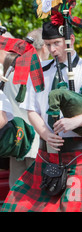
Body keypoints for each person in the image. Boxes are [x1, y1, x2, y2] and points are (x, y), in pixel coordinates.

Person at [1, 18, 82, 212]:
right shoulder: (40, 72)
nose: (52, 50)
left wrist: (74, 122)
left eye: (57, 44)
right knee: (18, 207)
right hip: (46, 154)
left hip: (79, 154)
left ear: (71, 40)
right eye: (48, 45)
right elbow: (31, 109)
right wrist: (45, 134)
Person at [5, 28, 50, 187]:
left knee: (16, 190)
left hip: (15, 139)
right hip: (35, 139)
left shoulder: (11, 71)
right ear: (43, 47)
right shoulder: (38, 73)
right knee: (36, 192)